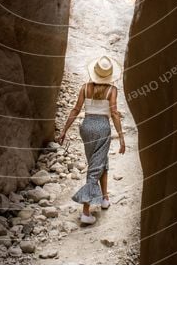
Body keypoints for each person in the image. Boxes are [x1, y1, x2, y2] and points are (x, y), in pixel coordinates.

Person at [58, 54, 125, 225]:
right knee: (96, 167)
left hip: (86, 127)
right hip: (102, 128)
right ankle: (86, 212)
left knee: (99, 161)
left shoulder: (85, 87)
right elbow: (115, 113)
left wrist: (64, 130)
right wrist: (121, 137)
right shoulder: (112, 90)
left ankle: (104, 198)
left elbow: (75, 109)